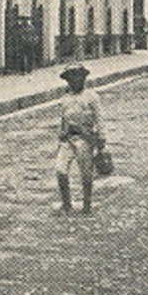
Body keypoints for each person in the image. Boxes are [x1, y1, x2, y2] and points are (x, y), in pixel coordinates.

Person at [55, 61, 105, 214]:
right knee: (60, 170)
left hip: (85, 138)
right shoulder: (65, 99)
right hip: (68, 139)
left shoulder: (92, 97)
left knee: (86, 173)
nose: (74, 81)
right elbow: (63, 119)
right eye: (70, 78)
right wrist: (61, 134)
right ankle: (66, 203)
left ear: (83, 79)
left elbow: (99, 119)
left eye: (77, 77)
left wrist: (101, 139)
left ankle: (87, 204)